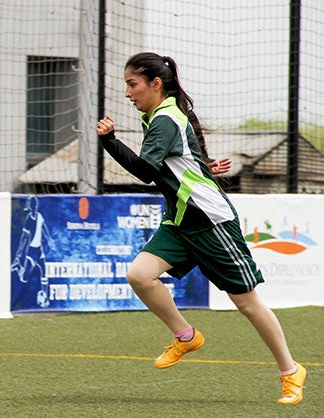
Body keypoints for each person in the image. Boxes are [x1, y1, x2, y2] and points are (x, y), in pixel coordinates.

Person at [96, 52, 306, 405]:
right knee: (139, 275)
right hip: (180, 220)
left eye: (132, 85)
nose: (128, 93)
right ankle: (186, 335)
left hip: (210, 222)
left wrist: (110, 140)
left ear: (155, 84)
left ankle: (290, 371)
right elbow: (183, 161)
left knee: (247, 303)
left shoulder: (164, 119)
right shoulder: (159, 116)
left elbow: (147, 171)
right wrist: (207, 167)